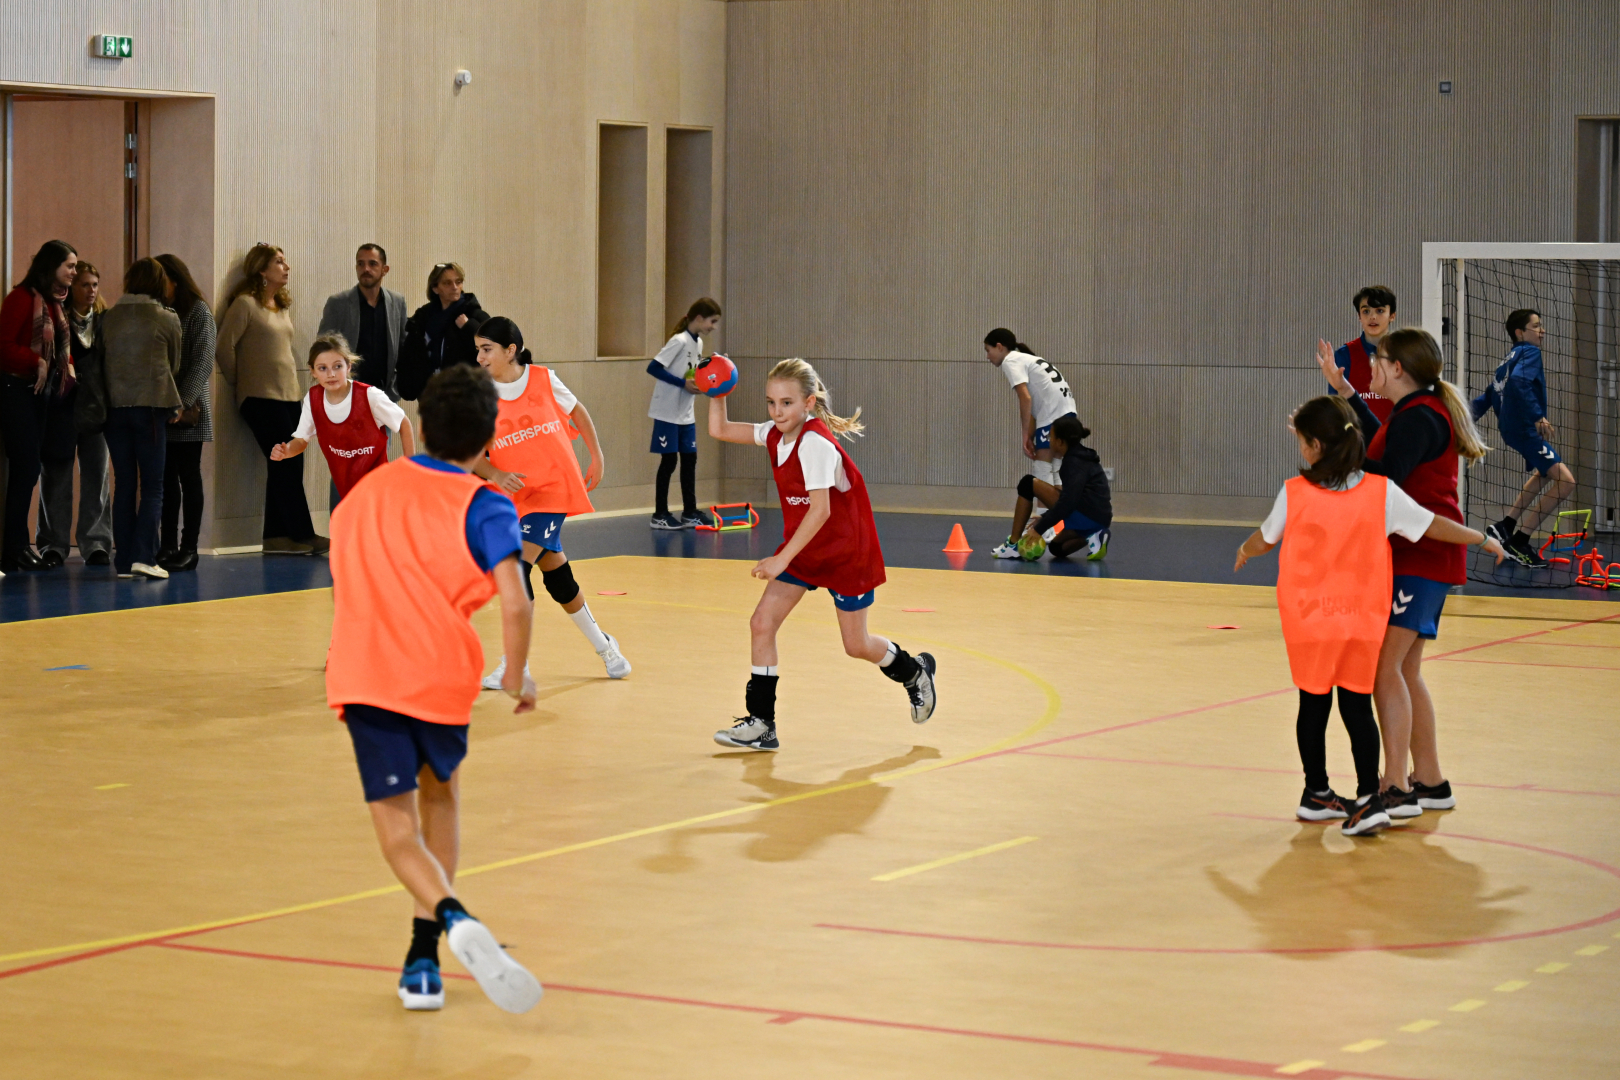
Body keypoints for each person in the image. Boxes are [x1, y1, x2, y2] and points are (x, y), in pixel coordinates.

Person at [325, 362, 543, 1015]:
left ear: (419, 427)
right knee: (440, 800)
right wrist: (514, 673)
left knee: (397, 834)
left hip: (366, 675)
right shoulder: (485, 503)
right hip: (442, 676)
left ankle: (451, 921)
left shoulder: (365, 494)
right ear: (489, 439)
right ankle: (425, 953)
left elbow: (345, 577)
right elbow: (516, 601)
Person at [1233, 396, 1503, 836]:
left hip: (1308, 622)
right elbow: (1431, 523)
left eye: (1302, 441)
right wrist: (1478, 538)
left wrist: (1245, 549)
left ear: (1314, 446)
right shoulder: (1381, 492)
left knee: (1312, 704)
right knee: (1357, 706)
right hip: (1359, 621)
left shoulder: (1294, 492)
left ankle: (1316, 792)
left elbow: (1265, 539)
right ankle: (1367, 798)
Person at [705, 357, 937, 751]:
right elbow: (720, 429)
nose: (777, 412)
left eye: (787, 403)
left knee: (856, 644)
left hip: (846, 552)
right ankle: (762, 724)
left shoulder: (814, 444)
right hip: (805, 549)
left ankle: (914, 672)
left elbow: (821, 511)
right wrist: (717, 391)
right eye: (771, 403)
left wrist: (780, 559)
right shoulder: (776, 434)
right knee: (762, 623)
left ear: (808, 403)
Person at [1317, 328, 1492, 817]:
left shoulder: (1419, 417)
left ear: (1397, 368)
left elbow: (1384, 476)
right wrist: (1345, 392)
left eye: (1379, 360)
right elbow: (1385, 446)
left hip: (1421, 556)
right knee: (1405, 669)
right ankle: (1431, 781)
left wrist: (1326, 464)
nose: (1371, 366)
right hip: (1424, 555)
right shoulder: (1416, 413)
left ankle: (1395, 784)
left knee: (1384, 669)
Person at [468, 317, 630, 685]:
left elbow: (578, 412)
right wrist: (495, 474)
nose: (479, 357)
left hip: (554, 489)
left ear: (511, 350)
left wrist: (597, 456)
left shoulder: (543, 378)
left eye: (486, 349)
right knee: (558, 580)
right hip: (516, 499)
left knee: (515, 569)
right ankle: (605, 646)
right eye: (477, 349)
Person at [217, 243, 325, 556]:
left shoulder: (280, 306)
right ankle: (302, 533)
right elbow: (224, 347)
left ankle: (277, 537)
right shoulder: (245, 304)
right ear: (262, 270)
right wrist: (241, 381)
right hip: (260, 397)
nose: (286, 267)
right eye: (278, 262)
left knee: (289, 461)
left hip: (289, 394)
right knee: (284, 460)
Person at [1471, 309, 1576, 568]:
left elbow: (1488, 395)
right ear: (1520, 332)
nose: (1542, 331)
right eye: (1536, 326)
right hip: (1524, 429)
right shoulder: (1530, 352)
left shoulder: (1507, 360)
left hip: (1511, 429)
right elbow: (1519, 383)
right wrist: (1537, 416)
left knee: (1545, 473)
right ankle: (1520, 541)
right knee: (1566, 482)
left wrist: (1463, 420)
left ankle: (1505, 525)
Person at [101, 258, 183, 580]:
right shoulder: (166, 318)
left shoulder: (108, 317)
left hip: (114, 408)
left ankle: (123, 561)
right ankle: (145, 557)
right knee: (152, 486)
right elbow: (174, 364)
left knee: (123, 484)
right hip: (150, 407)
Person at [0, 239, 77, 573]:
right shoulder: (21, 298)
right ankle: (14, 547)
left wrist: (65, 366)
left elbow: (59, 346)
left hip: (39, 393)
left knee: (29, 469)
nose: (73, 272)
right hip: (16, 389)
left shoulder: (53, 303)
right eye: (69, 266)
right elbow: (3, 346)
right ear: (51, 266)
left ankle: (18, 546)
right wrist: (37, 362)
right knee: (26, 468)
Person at [271, 334, 415, 502]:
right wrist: (286, 451)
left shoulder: (370, 396)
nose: (331, 374)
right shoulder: (313, 399)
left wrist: (410, 469)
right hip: (347, 490)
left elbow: (404, 423)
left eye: (337, 366)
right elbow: (301, 440)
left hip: (377, 489)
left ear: (348, 366)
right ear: (313, 371)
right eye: (322, 368)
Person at [37, 259, 113, 567]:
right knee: (56, 475)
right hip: (62, 407)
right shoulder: (58, 317)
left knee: (97, 474)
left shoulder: (105, 321)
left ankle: (96, 543)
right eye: (84, 285)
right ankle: (53, 544)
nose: (91, 290)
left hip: (96, 407)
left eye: (95, 285)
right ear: (72, 288)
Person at [153, 254, 216, 573]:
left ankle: (189, 547)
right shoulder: (158, 311)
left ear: (175, 280)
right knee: (165, 480)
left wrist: (181, 402)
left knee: (188, 477)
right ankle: (167, 545)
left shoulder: (199, 311)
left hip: (189, 409)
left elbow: (203, 362)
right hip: (162, 406)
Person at [991, 414, 1113, 561]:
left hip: (1087, 515)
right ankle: (1094, 535)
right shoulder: (1082, 457)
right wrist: (1045, 517)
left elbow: (1068, 502)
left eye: (1051, 437)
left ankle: (1013, 545)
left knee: (1027, 483)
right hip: (1099, 518)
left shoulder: (1073, 463)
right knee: (1056, 548)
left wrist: (1039, 529)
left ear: (1060, 442)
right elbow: (1071, 496)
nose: (1049, 441)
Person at [647, 298, 720, 529]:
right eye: (712, 321)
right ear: (699, 318)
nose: (713, 327)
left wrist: (712, 365)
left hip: (686, 412)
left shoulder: (698, 343)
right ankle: (660, 514)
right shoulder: (678, 341)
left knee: (690, 460)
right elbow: (653, 367)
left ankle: (690, 511)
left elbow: (690, 371)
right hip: (667, 412)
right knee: (669, 461)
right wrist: (682, 384)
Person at [983, 328, 1077, 490]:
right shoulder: (1029, 359)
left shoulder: (1010, 360)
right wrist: (1031, 435)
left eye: (988, 350)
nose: (987, 357)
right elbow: (1035, 404)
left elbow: (1025, 398)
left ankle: (1045, 508)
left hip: (1053, 415)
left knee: (1042, 471)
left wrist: (1025, 434)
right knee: (1057, 470)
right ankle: (1060, 507)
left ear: (999, 347)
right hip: (1068, 413)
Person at [318, 243, 408, 398]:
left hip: (385, 394)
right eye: (361, 264)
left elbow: (403, 346)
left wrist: (398, 386)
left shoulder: (397, 302)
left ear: (384, 269)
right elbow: (323, 348)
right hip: (348, 393)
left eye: (372, 264)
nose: (366, 269)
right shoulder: (338, 303)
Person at [395, 262, 488, 401]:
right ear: (435, 288)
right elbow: (410, 354)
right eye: (447, 283)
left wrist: (469, 327)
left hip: (465, 396)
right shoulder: (423, 318)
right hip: (431, 393)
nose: (455, 287)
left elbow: (492, 349)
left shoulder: (474, 315)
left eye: (458, 282)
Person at [1329, 285, 1397, 425]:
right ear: (1359, 316)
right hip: (1358, 436)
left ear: (1392, 316)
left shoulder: (1404, 353)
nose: (1372, 317)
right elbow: (1336, 406)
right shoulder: (1345, 355)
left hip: (1396, 435)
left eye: (1379, 310)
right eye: (1366, 311)